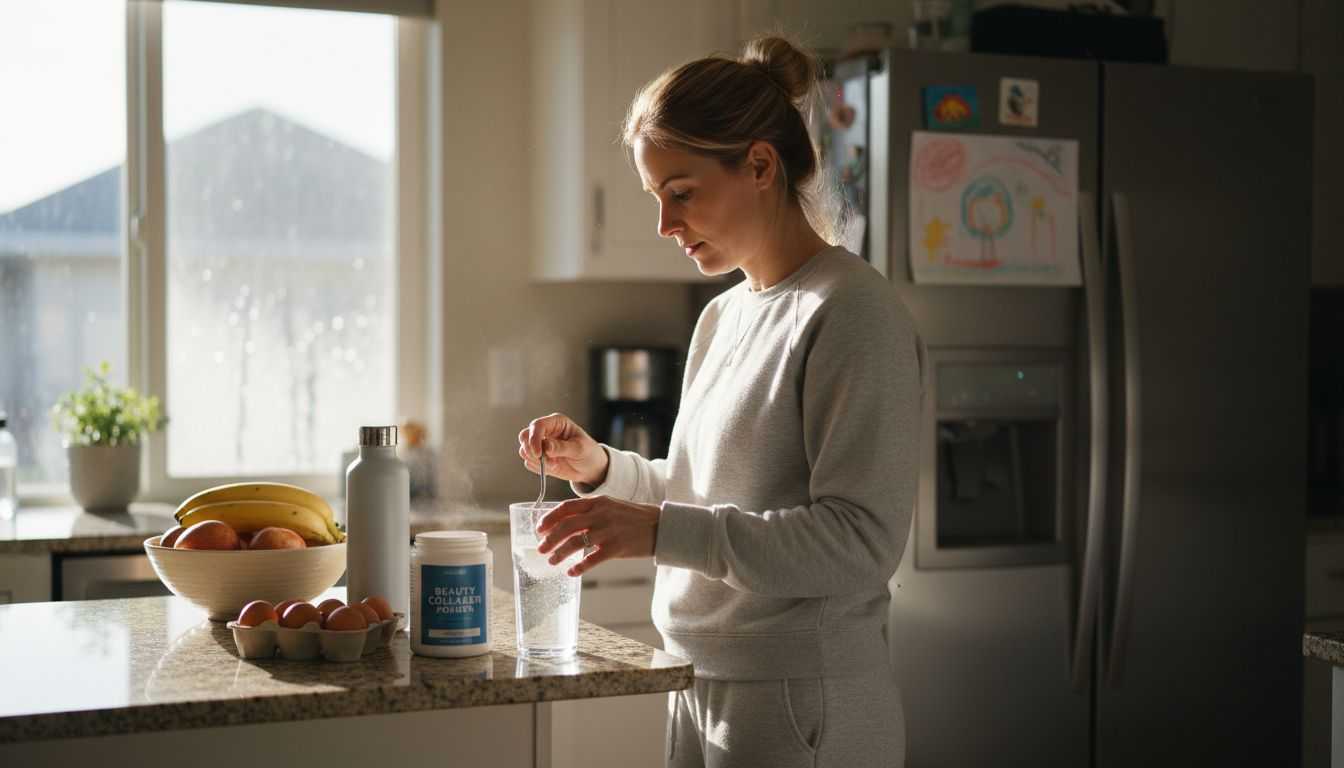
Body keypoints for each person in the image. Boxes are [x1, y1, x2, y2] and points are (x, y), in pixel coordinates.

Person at [518, 34, 924, 768]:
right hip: (700, 678)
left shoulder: (853, 313)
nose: (665, 224)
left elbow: (860, 542)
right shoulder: (723, 315)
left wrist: (659, 532)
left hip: (802, 697)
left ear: (760, 165)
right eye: (655, 198)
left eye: (682, 192)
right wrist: (603, 468)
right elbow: (705, 491)